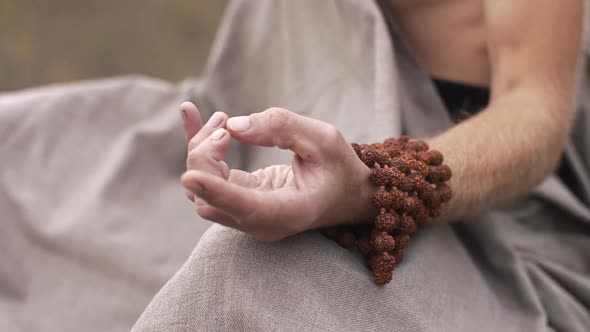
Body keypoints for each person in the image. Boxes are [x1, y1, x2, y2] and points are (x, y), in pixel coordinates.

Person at [133, 0, 589, 331]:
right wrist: (222, 136)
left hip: (489, 227)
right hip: (274, 166)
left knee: (245, 271)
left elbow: (534, 108)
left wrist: (380, 178)